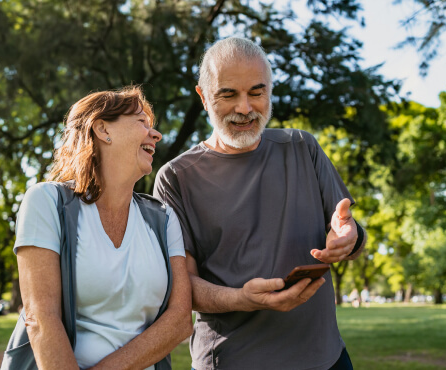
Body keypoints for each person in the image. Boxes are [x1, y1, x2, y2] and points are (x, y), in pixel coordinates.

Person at [154, 37, 367, 369]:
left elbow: (347, 231)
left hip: (327, 358)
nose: (244, 108)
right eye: (228, 94)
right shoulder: (175, 178)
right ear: (203, 97)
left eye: (257, 92)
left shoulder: (302, 147)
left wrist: (348, 237)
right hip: (232, 361)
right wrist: (242, 299)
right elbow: (182, 288)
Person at [14, 86, 192, 369]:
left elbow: (180, 320)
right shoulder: (46, 201)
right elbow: (40, 317)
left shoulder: (165, 218)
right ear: (102, 129)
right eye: (141, 123)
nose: (155, 135)